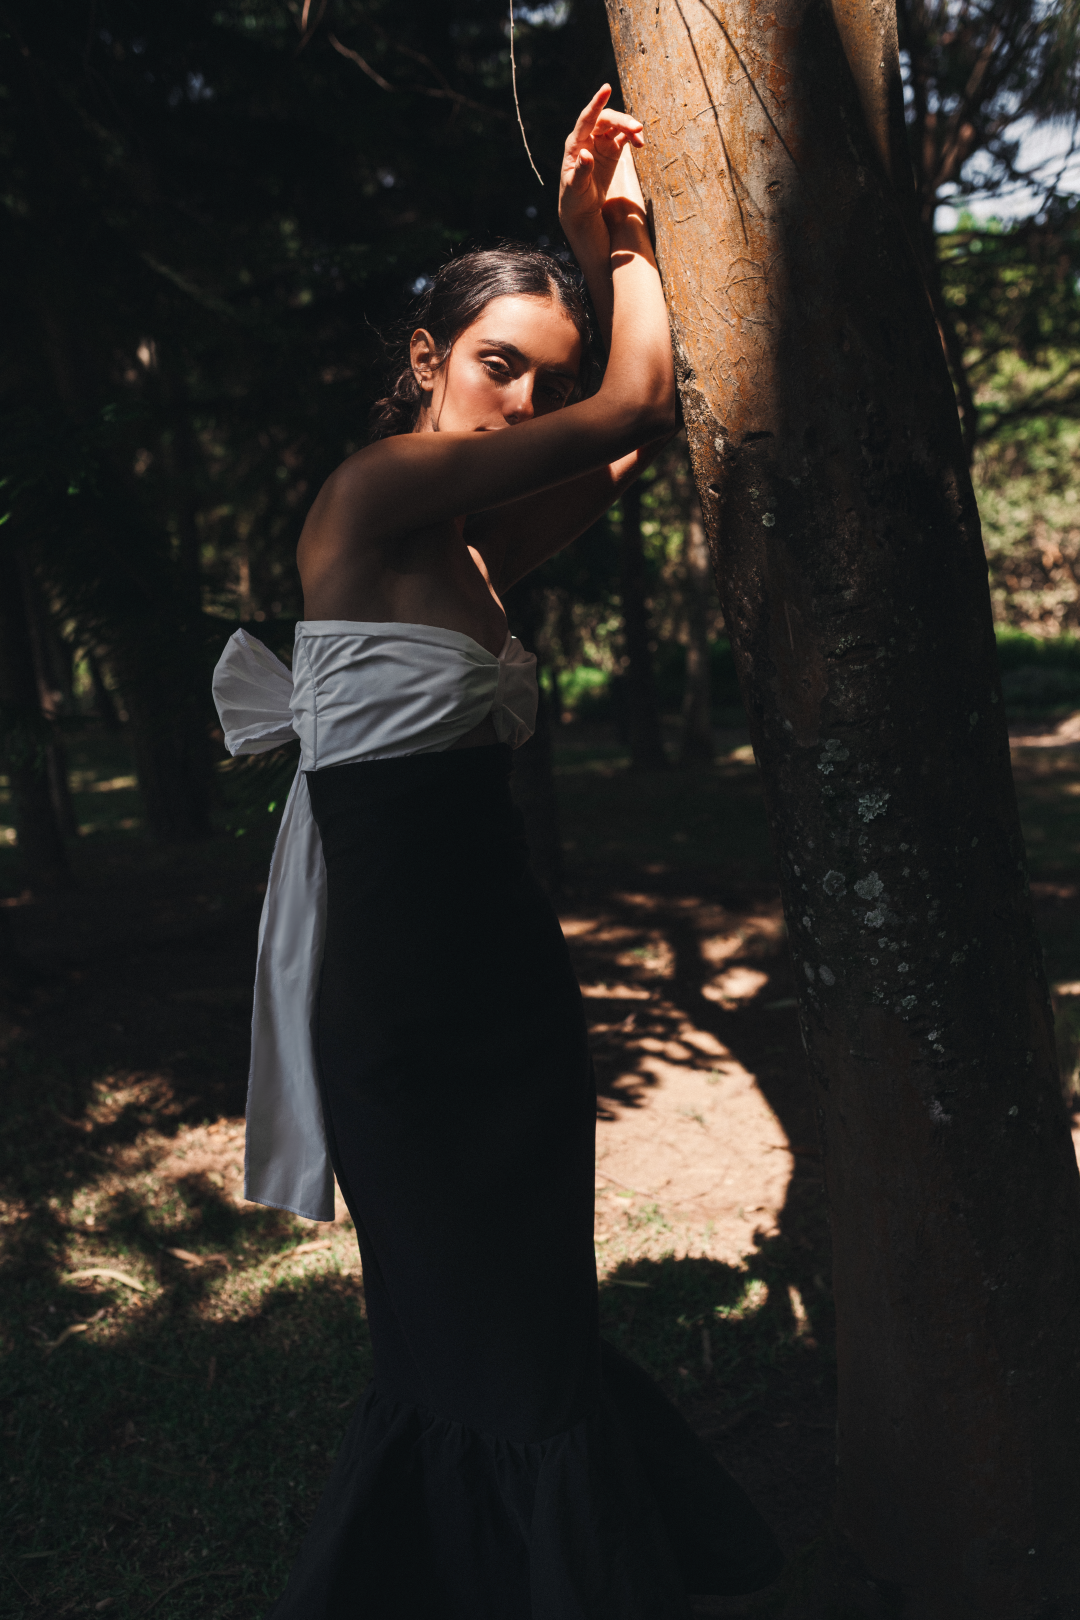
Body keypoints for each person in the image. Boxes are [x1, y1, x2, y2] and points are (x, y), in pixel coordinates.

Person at [213, 87, 782, 1619]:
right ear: (426, 361)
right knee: (473, 1331)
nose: (521, 406)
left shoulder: (466, 549)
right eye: (496, 369)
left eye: (542, 377)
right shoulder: (376, 494)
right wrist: (624, 236)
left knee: (525, 1312)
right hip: (405, 1000)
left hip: (504, 984)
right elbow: (638, 411)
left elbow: (610, 456)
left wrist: (607, 259)